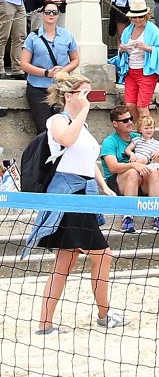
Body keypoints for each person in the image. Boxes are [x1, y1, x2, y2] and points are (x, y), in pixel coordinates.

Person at [23, 73, 126, 334]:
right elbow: (65, 140)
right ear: (69, 96)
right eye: (84, 93)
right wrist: (83, 110)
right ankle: (104, 314)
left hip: (84, 194)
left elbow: (90, 162)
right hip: (68, 197)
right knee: (103, 256)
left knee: (64, 263)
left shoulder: (84, 127)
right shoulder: (57, 120)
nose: (88, 98)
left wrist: (103, 187)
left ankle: (45, 324)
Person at [100, 105, 159, 233]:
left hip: (140, 180)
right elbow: (113, 167)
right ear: (115, 124)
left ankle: (157, 215)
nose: (130, 122)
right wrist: (134, 165)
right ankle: (127, 217)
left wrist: (146, 160)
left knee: (154, 171)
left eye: (130, 118)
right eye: (125, 121)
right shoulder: (109, 142)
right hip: (117, 182)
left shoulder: (138, 136)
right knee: (132, 172)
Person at [20, 3, 79, 132]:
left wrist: (63, 71)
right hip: (38, 87)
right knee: (43, 129)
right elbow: (24, 64)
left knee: (63, 127)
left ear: (58, 15)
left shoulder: (67, 35)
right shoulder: (33, 37)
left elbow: (75, 59)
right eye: (48, 12)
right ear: (42, 15)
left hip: (60, 87)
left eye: (54, 12)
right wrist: (46, 73)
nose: (51, 15)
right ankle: (44, 152)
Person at [116, 0, 159, 125]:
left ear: (146, 16)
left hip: (147, 72)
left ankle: (147, 135)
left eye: (140, 17)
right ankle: (137, 131)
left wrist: (147, 48)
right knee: (130, 104)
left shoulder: (153, 30)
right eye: (135, 17)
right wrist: (122, 49)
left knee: (142, 106)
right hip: (131, 72)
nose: (138, 19)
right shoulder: (128, 30)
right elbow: (121, 51)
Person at [126, 115, 159, 181]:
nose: (149, 130)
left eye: (151, 128)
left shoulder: (156, 143)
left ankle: (156, 186)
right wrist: (132, 154)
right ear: (140, 130)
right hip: (139, 160)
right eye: (146, 128)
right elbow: (127, 150)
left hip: (152, 164)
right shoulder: (137, 140)